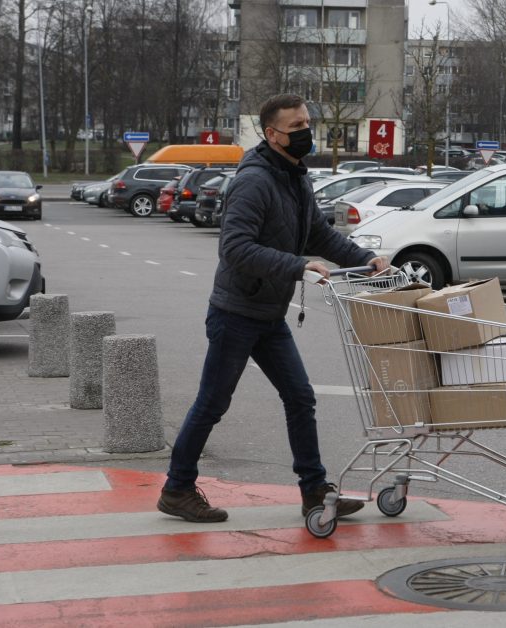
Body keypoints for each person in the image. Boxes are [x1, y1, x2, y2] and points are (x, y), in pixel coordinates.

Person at [157, 93, 388, 523]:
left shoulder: (295, 176)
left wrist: (363, 259)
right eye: (296, 127)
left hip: (267, 313)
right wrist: (297, 266)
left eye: (307, 123)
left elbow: (317, 233)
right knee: (213, 403)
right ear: (272, 134)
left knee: (300, 397)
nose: (305, 132)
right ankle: (177, 488)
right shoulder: (255, 180)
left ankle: (315, 490)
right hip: (235, 312)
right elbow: (235, 249)